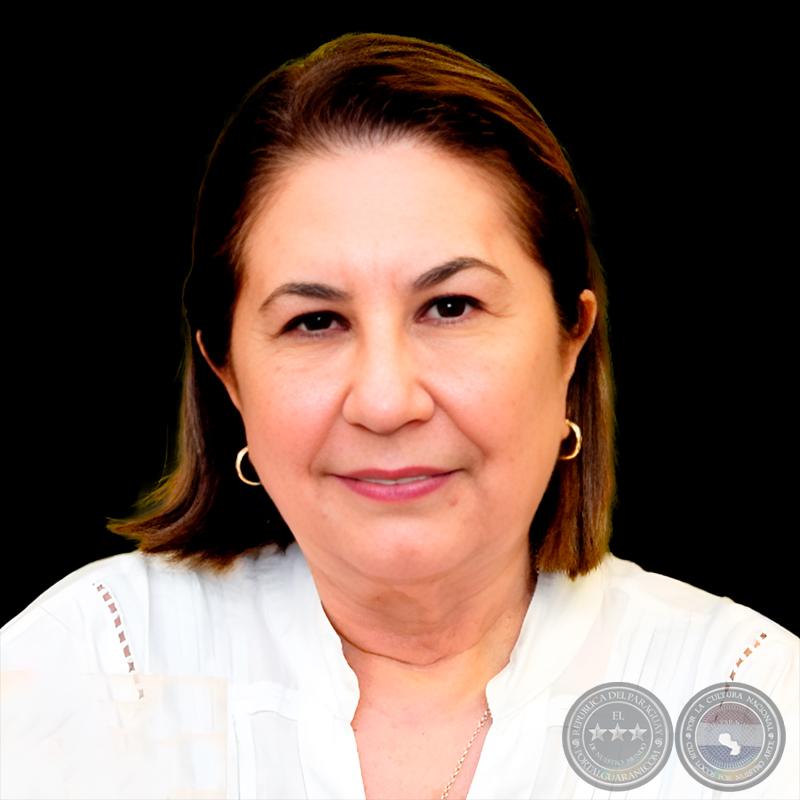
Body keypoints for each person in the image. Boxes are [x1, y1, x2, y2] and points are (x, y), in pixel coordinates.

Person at [1, 32, 797, 800]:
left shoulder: (747, 691)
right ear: (227, 374)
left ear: (570, 343)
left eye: (451, 306)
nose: (385, 403)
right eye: (315, 321)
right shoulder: (88, 670)